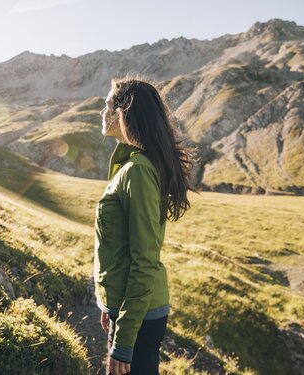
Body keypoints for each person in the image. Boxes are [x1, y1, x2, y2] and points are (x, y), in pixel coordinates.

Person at [93, 73, 199, 375]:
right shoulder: (133, 165)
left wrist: (124, 340)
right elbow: (119, 247)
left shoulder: (137, 171)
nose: (102, 113)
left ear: (124, 113)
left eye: (107, 106)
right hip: (131, 308)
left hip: (139, 316)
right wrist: (109, 303)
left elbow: (144, 260)